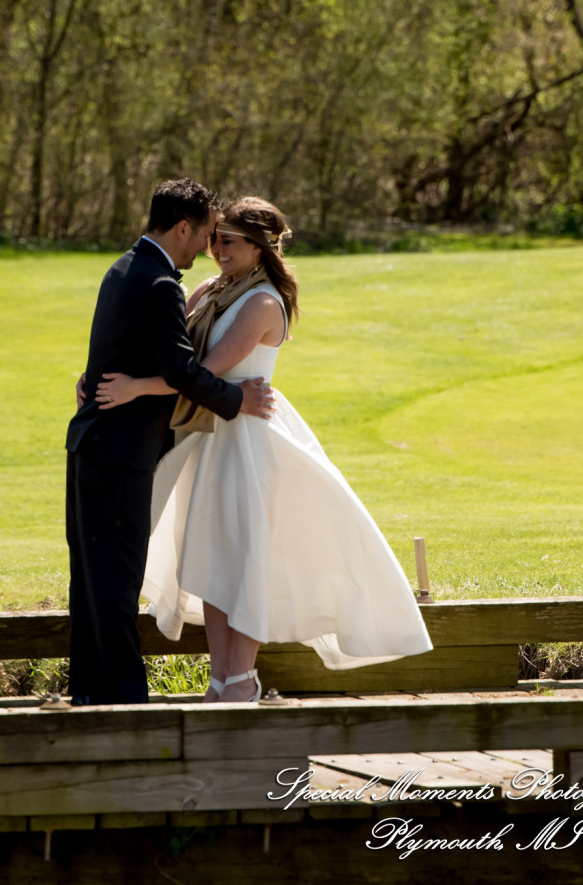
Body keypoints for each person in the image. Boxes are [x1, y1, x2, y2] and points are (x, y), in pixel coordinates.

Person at [95, 196, 433, 702]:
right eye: (214, 239)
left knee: (247, 560)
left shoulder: (263, 302)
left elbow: (201, 372)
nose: (216, 249)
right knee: (209, 559)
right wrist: (100, 372)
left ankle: (241, 679)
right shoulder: (210, 290)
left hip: (250, 443)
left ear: (258, 247)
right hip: (208, 440)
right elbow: (165, 350)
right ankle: (219, 679)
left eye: (227, 241)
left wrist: (136, 388)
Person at [65, 179, 275, 706]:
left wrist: (99, 381)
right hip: (120, 451)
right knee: (113, 581)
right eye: (207, 233)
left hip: (97, 444)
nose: (208, 246)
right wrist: (235, 399)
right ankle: (122, 700)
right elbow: (183, 370)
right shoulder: (161, 283)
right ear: (183, 227)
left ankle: (94, 691)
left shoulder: (122, 267)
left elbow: (126, 350)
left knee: (94, 579)